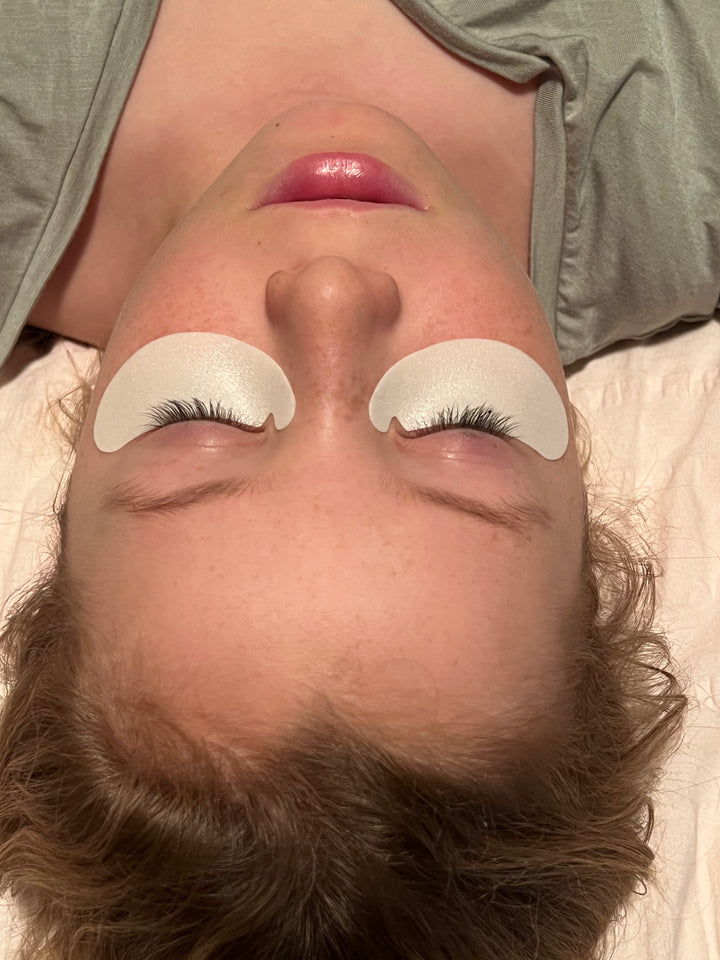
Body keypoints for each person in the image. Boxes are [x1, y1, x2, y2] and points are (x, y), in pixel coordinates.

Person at [1, 0, 713, 957]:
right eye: (467, 420)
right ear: (587, 515)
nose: (331, 292)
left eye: (197, 411)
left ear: (69, 487)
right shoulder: (686, 154)